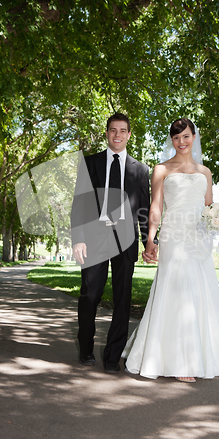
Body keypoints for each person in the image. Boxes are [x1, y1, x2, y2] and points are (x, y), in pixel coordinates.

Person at [122, 118, 219, 382]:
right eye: (176, 137)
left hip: (199, 238)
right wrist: (150, 241)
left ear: (194, 137)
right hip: (174, 235)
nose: (181, 142)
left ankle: (206, 356)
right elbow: (155, 208)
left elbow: (208, 208)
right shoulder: (161, 169)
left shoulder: (205, 172)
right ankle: (180, 362)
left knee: (201, 291)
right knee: (177, 290)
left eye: (186, 137)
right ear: (172, 140)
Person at [71, 113, 152, 374]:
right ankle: (85, 348)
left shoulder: (140, 170)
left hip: (125, 240)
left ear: (129, 135)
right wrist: (79, 239)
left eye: (122, 130)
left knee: (123, 299)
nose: (117, 135)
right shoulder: (90, 163)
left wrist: (148, 242)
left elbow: (144, 207)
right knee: (90, 295)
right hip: (94, 237)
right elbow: (79, 203)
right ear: (107, 133)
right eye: (112, 130)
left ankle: (112, 356)